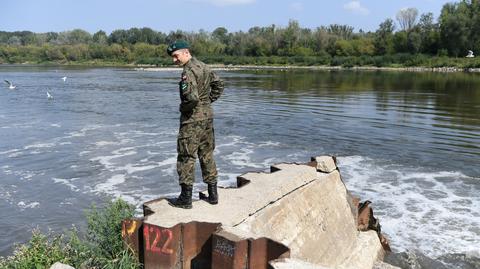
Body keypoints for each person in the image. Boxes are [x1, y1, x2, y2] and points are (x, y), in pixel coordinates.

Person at [166, 40, 224, 209]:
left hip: (192, 119)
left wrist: (183, 109)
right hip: (207, 117)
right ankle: (213, 195)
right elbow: (219, 84)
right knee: (207, 154)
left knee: (186, 156)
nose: (174, 60)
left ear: (186, 52)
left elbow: (191, 98)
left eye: (176, 56)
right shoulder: (204, 66)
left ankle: (185, 199)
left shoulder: (188, 71)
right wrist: (207, 102)